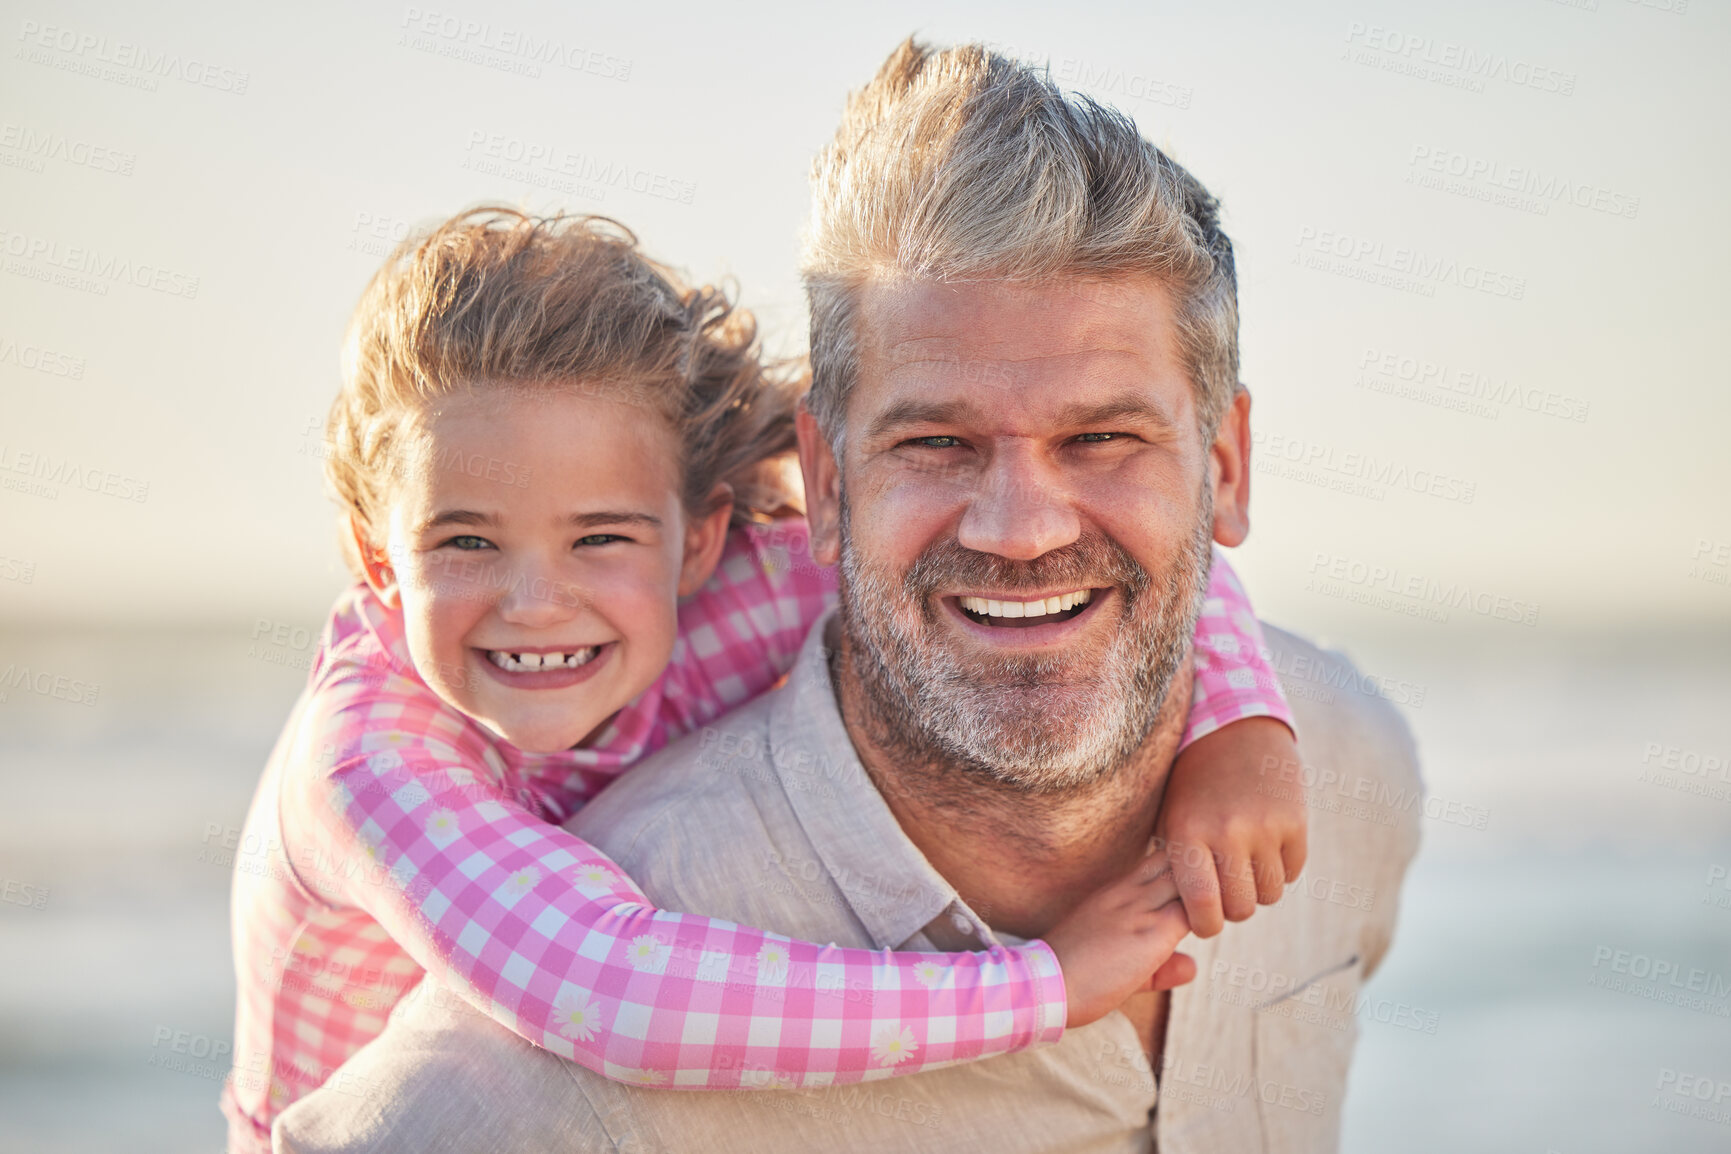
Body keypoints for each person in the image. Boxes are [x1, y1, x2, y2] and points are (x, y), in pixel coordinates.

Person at [274, 38, 1422, 1154]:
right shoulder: (540, 1079)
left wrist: (1248, 723)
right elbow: (595, 995)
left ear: (1225, 464)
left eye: (1103, 437)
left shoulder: (1347, 758)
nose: (1019, 528)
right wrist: (1037, 987)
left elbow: (1164, 579)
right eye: (934, 441)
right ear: (825, 483)